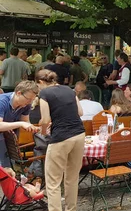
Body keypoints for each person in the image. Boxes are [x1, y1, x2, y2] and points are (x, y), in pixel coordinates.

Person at [36, 69, 84, 211]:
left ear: (40, 82)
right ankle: (71, 209)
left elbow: (45, 119)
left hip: (60, 138)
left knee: (53, 181)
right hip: (79, 135)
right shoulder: (69, 90)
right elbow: (80, 112)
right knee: (72, 178)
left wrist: (44, 132)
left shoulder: (44, 93)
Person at [0, 81, 39, 167]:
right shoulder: (2, 101)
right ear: (18, 93)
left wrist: (31, 127)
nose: (30, 102)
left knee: (9, 166)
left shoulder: (26, 105)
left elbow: (25, 121)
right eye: (28, 99)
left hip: (9, 138)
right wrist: (20, 123)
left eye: (33, 100)